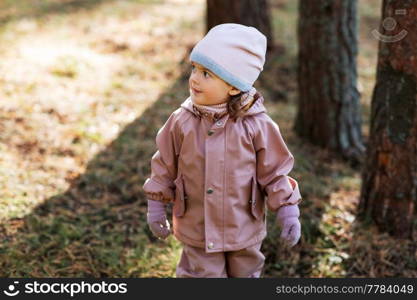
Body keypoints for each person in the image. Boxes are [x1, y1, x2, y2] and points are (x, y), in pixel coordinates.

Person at [143, 23, 302, 278]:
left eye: (207, 73)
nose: (194, 78)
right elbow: (164, 164)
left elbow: (274, 172)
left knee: (247, 273)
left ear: (234, 86)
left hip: (243, 225)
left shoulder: (256, 125)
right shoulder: (181, 121)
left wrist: (288, 209)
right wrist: (156, 203)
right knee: (202, 275)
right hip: (198, 224)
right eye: (194, 68)